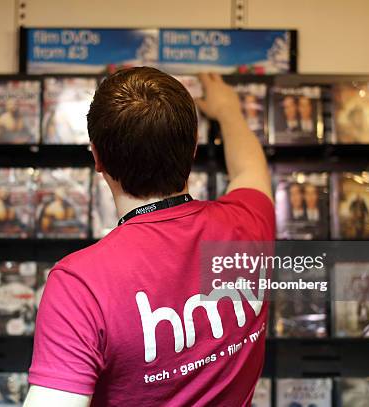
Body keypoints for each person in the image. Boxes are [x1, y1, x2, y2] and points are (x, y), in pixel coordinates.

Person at [25, 68, 273, 406]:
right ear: (193, 150)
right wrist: (229, 111)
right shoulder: (248, 226)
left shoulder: (80, 285)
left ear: (97, 157)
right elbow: (249, 169)